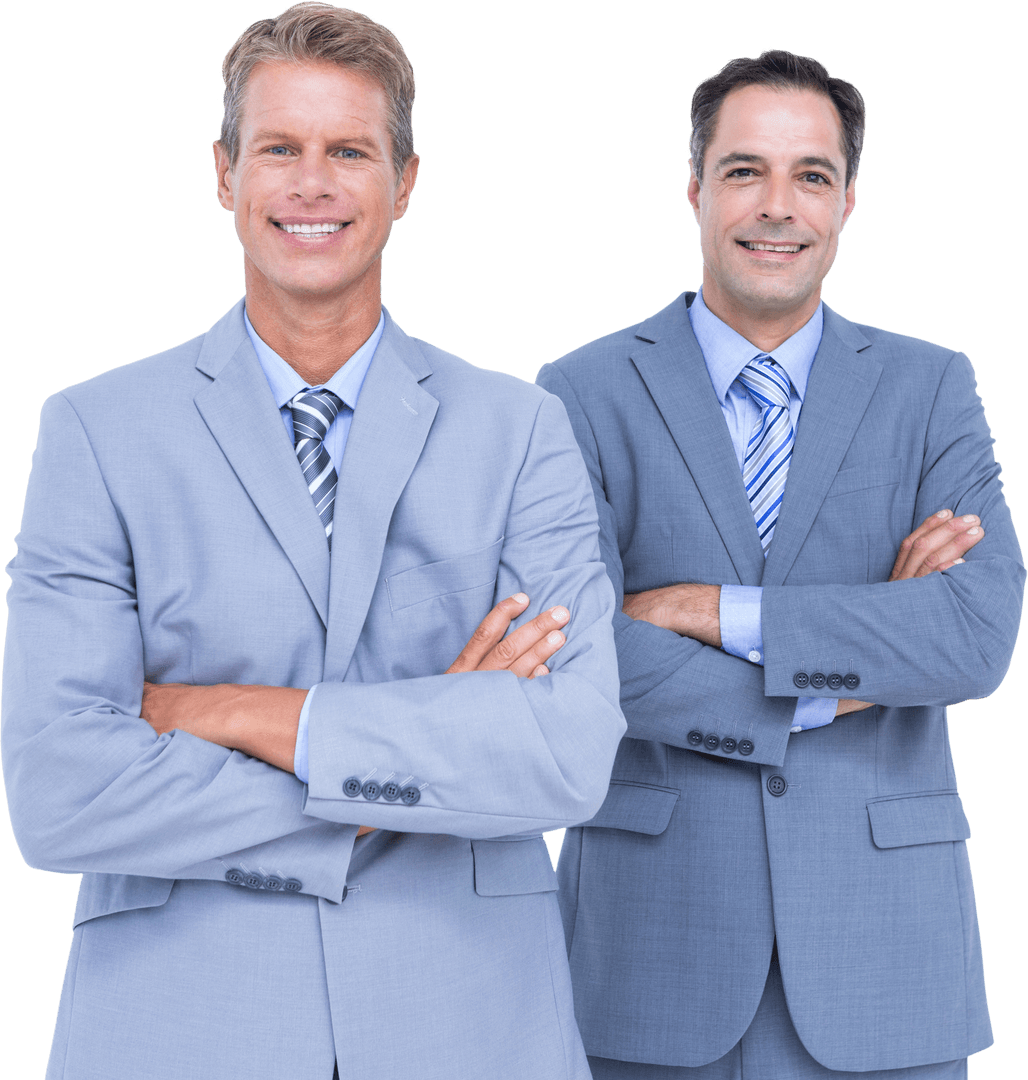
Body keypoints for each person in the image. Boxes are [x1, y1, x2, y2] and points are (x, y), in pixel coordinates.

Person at [0, 5, 625, 1078]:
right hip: (179, 1022)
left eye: (350, 151)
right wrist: (431, 737)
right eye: (279, 148)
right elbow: (59, 793)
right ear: (224, 174)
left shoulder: (518, 431)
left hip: (467, 1022)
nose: (312, 183)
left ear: (405, 182)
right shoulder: (96, 431)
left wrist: (226, 713)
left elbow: (566, 757)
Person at [537, 48, 1024, 1080]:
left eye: (808, 175)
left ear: (845, 200)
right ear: (694, 189)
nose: (775, 206)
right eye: (742, 169)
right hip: (649, 952)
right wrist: (850, 663)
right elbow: (571, 643)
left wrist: (715, 612)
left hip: (884, 957)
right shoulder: (578, 391)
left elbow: (973, 637)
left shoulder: (930, 387)